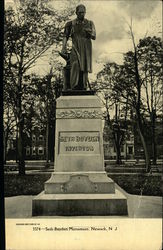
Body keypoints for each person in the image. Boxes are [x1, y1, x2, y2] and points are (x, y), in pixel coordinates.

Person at [61, 4, 96, 90]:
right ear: (76, 13)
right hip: (75, 46)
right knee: (75, 64)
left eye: (83, 12)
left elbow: (94, 36)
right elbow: (65, 36)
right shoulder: (70, 24)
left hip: (86, 47)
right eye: (80, 12)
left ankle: (84, 86)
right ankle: (74, 86)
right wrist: (63, 47)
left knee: (84, 66)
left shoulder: (90, 23)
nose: (82, 14)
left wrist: (90, 33)